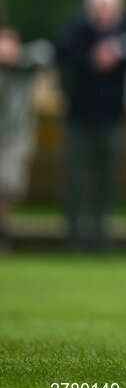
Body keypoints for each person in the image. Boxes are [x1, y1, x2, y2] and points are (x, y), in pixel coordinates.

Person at [56, 0, 126, 250]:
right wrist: (92, 57)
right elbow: (61, 50)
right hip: (78, 115)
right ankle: (73, 237)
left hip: (113, 116)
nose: (103, 11)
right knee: (75, 177)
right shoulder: (78, 28)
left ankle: (100, 236)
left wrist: (118, 54)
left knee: (105, 178)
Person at [0, 18, 54, 250]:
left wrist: (15, 56)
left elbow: (46, 52)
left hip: (15, 135)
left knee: (7, 185)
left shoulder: (24, 66)